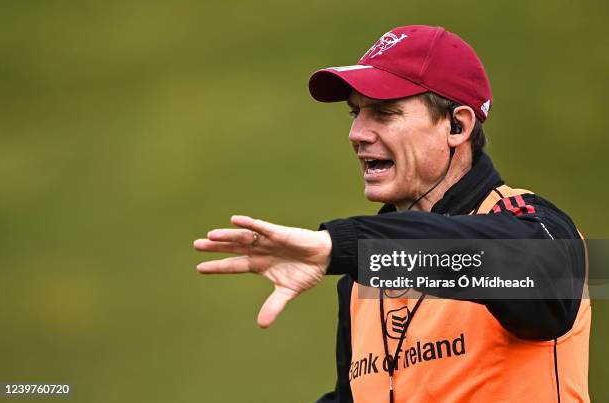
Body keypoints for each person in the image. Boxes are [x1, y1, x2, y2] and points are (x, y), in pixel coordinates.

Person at [194, 25, 589, 402]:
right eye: (356, 114)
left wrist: (342, 246)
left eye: (384, 113)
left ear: (457, 126)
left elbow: (534, 271)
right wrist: (351, 253)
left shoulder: (531, 223)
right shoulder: (359, 279)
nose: (357, 134)